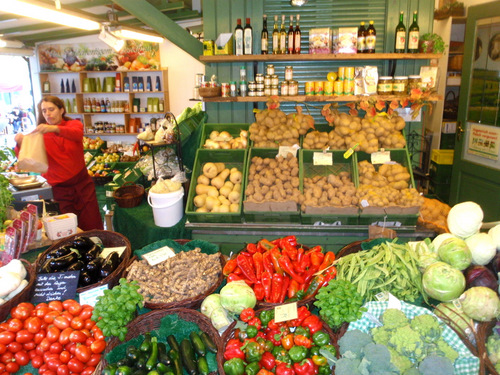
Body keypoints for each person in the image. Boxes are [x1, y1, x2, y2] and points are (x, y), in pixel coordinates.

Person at [14, 96, 103, 231]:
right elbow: (26, 159)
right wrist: (20, 143)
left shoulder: (73, 125)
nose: (48, 114)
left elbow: (76, 134)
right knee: (68, 230)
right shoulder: (39, 134)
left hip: (83, 186)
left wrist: (53, 129)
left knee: (92, 226)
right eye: (44, 111)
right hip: (59, 191)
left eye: (51, 109)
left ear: (61, 110)